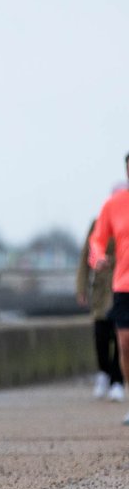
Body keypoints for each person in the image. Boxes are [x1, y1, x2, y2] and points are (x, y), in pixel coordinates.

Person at [89, 154, 129, 424]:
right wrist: (98, 257)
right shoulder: (114, 205)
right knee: (125, 344)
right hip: (123, 284)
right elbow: (97, 239)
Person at [76, 216, 122, 401]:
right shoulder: (98, 223)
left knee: (122, 337)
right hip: (101, 291)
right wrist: (81, 288)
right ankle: (104, 372)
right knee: (101, 334)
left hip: (122, 287)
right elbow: (86, 256)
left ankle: (117, 381)